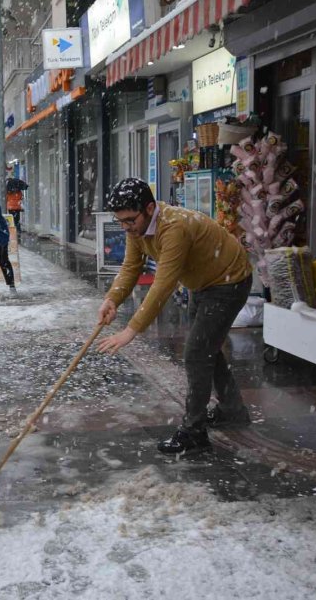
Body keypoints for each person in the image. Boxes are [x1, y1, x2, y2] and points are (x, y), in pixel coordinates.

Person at [95, 178, 253, 455]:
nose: (126, 227)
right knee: (207, 350)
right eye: (121, 222)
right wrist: (112, 299)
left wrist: (131, 330)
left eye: (130, 220)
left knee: (196, 353)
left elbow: (164, 283)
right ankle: (232, 410)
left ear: (149, 208)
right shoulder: (137, 230)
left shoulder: (174, 227)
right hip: (202, 282)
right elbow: (132, 266)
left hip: (229, 281)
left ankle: (194, 432)